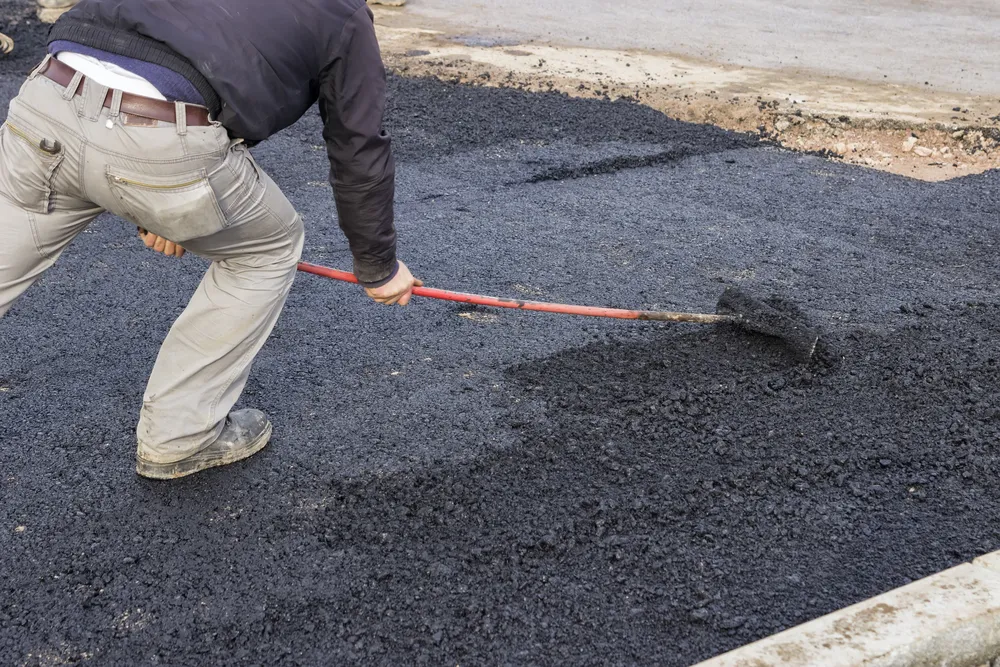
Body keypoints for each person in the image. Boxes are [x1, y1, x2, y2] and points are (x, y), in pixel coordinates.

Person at [0, 0, 421, 479]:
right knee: (268, 249)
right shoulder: (342, 14)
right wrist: (378, 266)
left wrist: (162, 216)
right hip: (157, 137)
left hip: (46, 97)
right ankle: (179, 437)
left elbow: (151, 55)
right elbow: (357, 147)